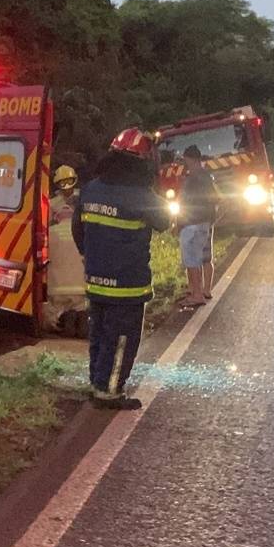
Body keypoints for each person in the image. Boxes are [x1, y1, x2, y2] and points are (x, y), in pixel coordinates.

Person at [72, 129, 172, 410]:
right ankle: (110, 391)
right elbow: (165, 222)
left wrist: (90, 256)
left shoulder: (90, 189)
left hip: (95, 279)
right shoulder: (142, 196)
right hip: (127, 284)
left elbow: (78, 230)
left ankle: (97, 381)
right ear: (142, 163)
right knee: (122, 339)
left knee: (100, 335)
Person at [43, 164, 88, 334]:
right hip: (79, 283)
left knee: (69, 307)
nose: (67, 187)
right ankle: (78, 324)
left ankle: (72, 324)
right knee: (79, 306)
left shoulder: (54, 205)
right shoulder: (83, 200)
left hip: (58, 284)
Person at [176, 146, 220, 309]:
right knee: (198, 258)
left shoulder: (192, 178)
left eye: (186, 159)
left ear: (190, 159)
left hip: (191, 223)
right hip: (203, 223)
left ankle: (196, 294)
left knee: (191, 260)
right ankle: (199, 290)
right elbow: (216, 199)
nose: (185, 162)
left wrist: (179, 222)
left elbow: (184, 202)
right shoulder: (207, 176)